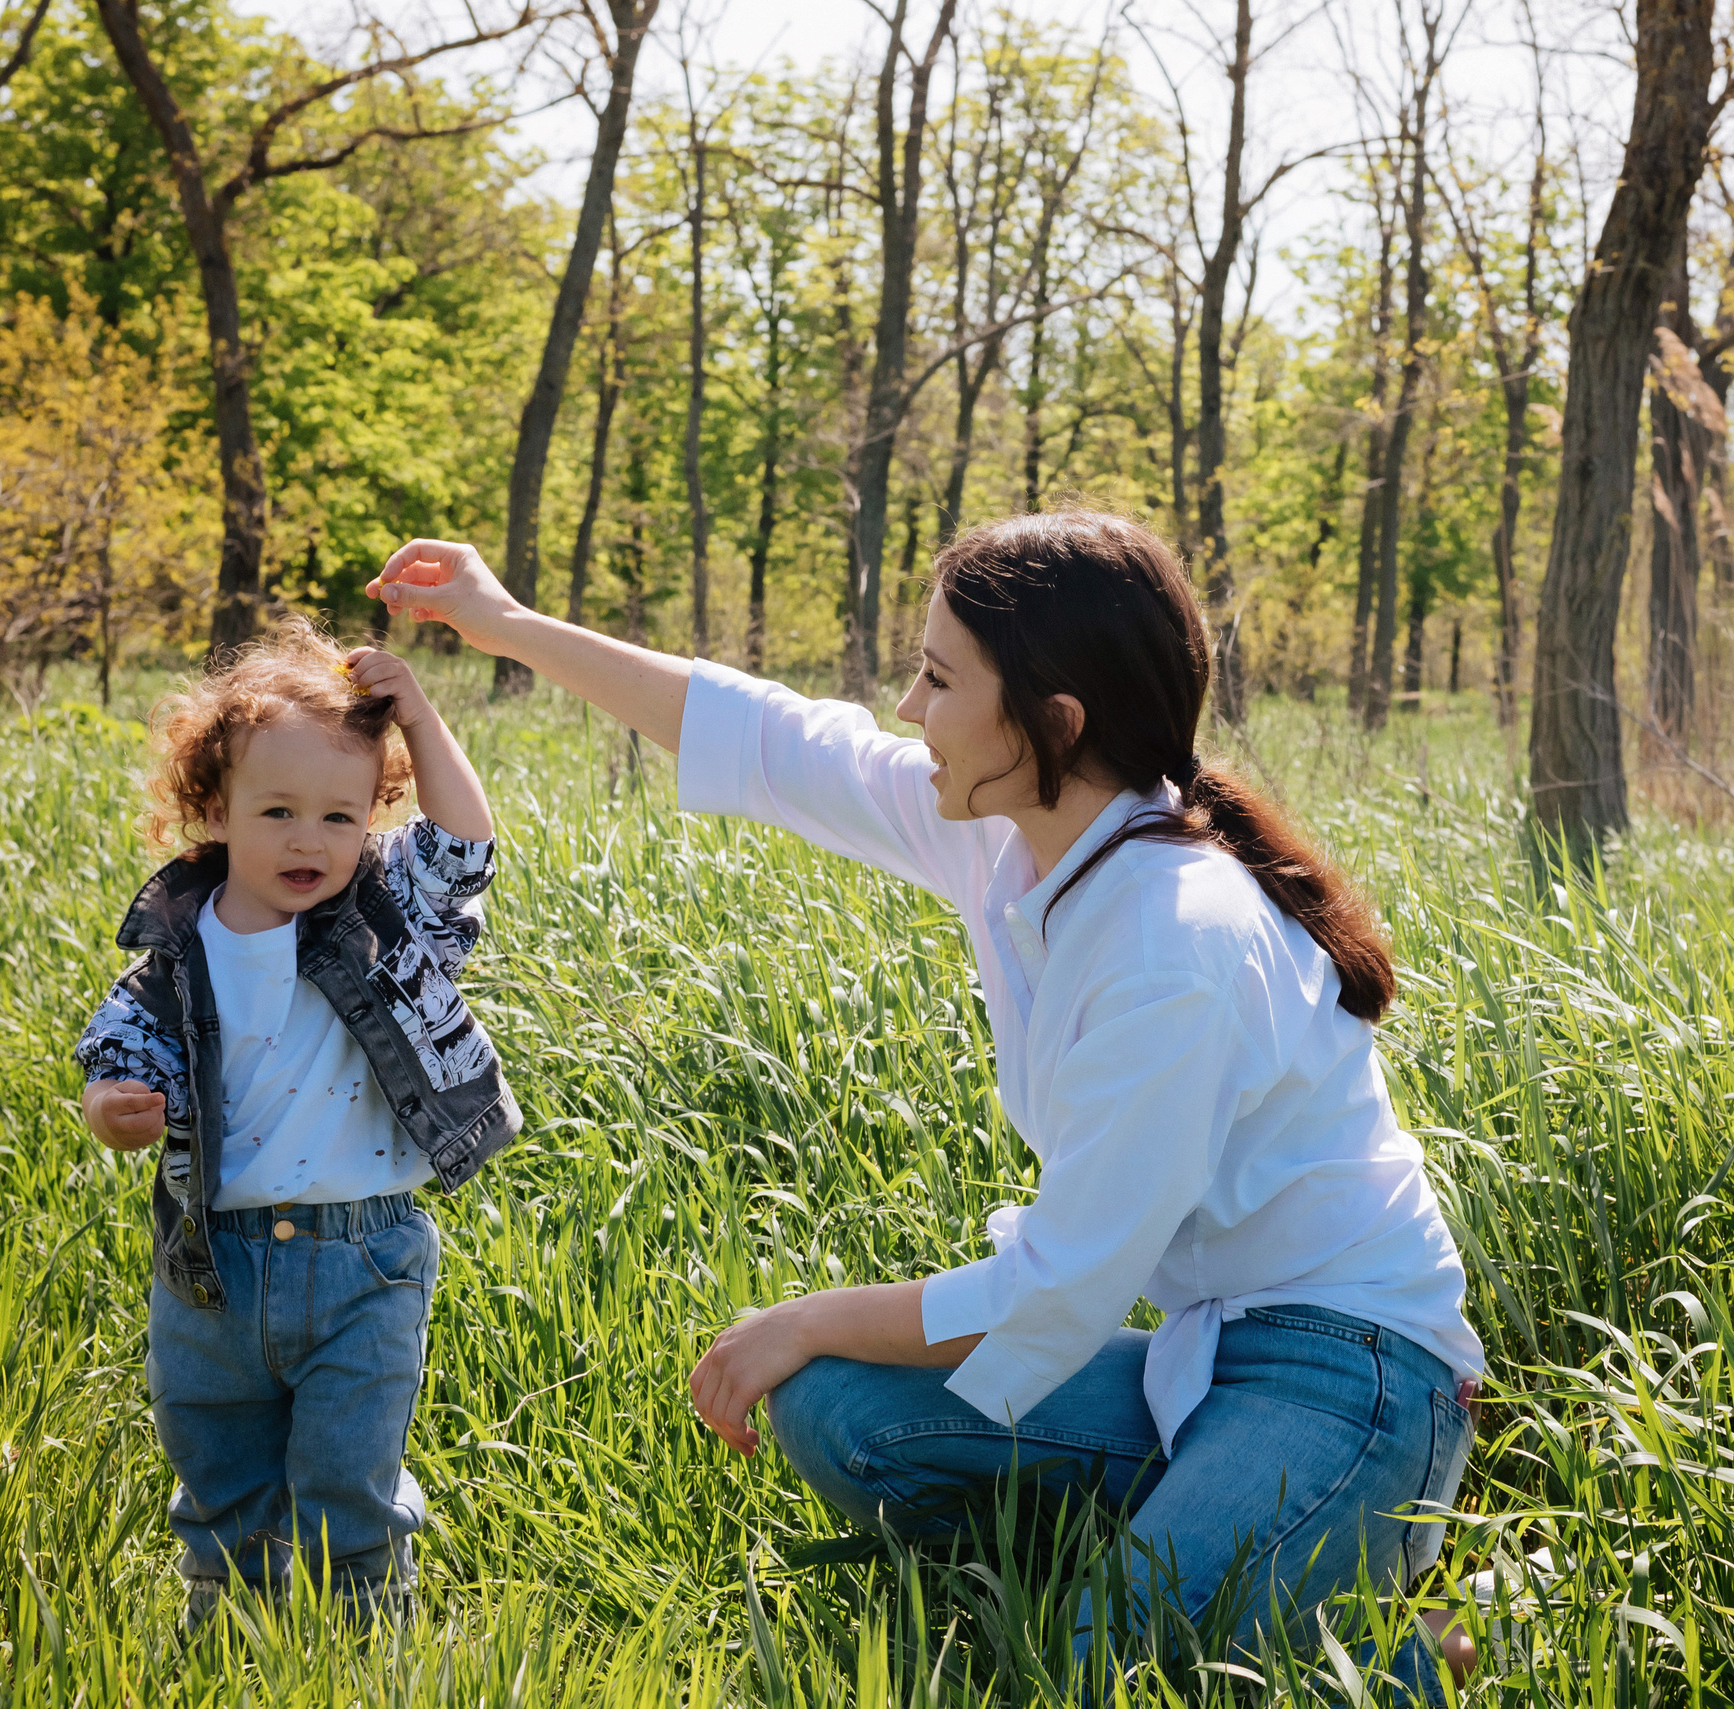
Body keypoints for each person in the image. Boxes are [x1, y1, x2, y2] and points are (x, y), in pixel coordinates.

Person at [369, 509, 1482, 1693]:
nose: (907, 706)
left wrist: (807, 1312)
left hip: (1354, 1377)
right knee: (839, 1405)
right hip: (1204, 1351)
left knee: (1098, 1668)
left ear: (1055, 722)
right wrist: (505, 622)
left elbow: (1055, 1287)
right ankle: (1235, 1545)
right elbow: (767, 737)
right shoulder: (1018, 828)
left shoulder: (1176, 941)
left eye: (940, 678)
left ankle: (1441, 1637)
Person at [74, 619, 521, 1626]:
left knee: (348, 1473)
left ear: (371, 817)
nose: (308, 839)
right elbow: (119, 1054)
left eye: (338, 815)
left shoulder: (384, 916)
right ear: (214, 808)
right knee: (217, 1459)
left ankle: (360, 1635)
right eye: (276, 810)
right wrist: (114, 1111)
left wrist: (419, 715)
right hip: (212, 1262)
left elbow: (463, 850)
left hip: (366, 1256)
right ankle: (228, 1624)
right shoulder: (178, 954)